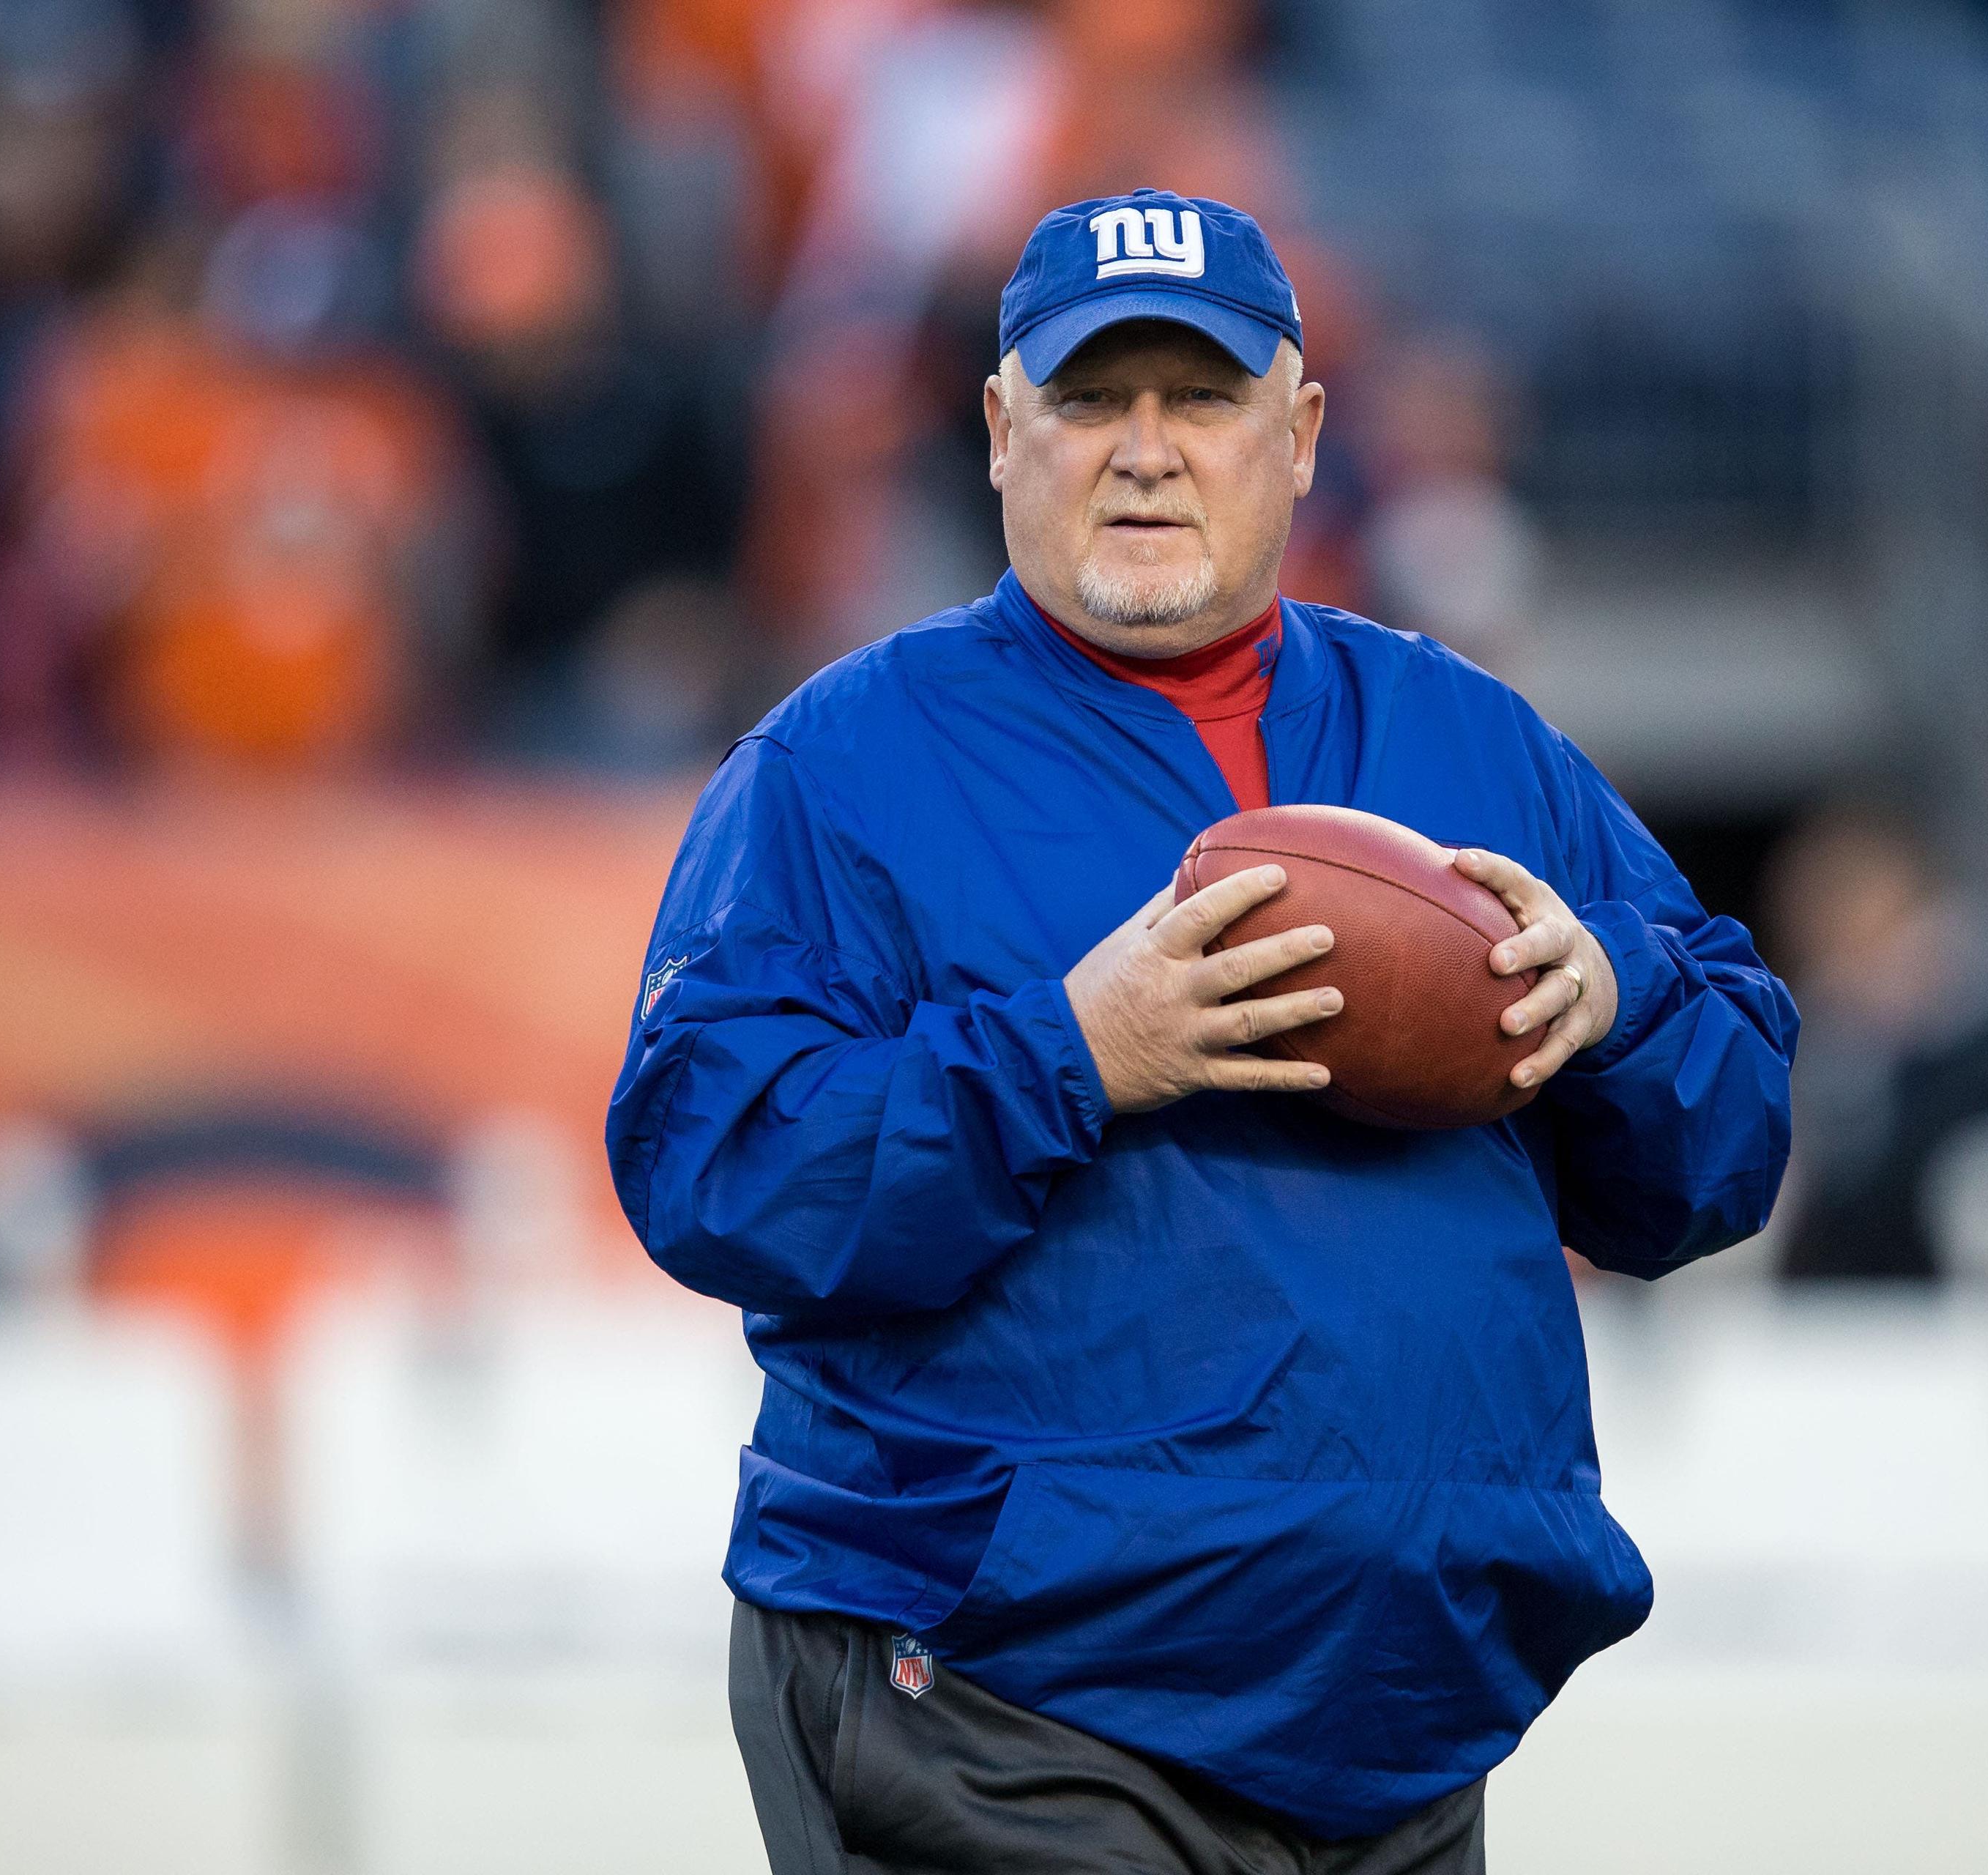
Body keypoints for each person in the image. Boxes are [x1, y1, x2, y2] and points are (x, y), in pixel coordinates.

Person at [606, 189, 1798, 1873]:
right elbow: (715, 1165)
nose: (1146, 450)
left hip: (1396, 1721)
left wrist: (1612, 996)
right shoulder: (842, 763)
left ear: (1301, 435)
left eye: (1204, 396)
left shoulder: (1470, 739)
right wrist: (1068, 1052)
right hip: (1011, 1699)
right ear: (1003, 433)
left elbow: (1723, 1141)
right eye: (1091, 398)